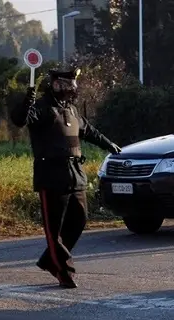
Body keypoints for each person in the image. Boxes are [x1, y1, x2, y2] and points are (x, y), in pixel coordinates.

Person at [10, 68, 122, 288]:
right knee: (54, 229)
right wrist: (27, 99)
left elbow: (89, 131)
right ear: (54, 85)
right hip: (51, 175)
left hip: (75, 174)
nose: (69, 88)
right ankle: (63, 270)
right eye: (64, 84)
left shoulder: (71, 109)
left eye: (72, 84)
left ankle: (48, 260)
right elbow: (19, 119)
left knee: (79, 221)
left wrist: (109, 145)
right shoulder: (40, 108)